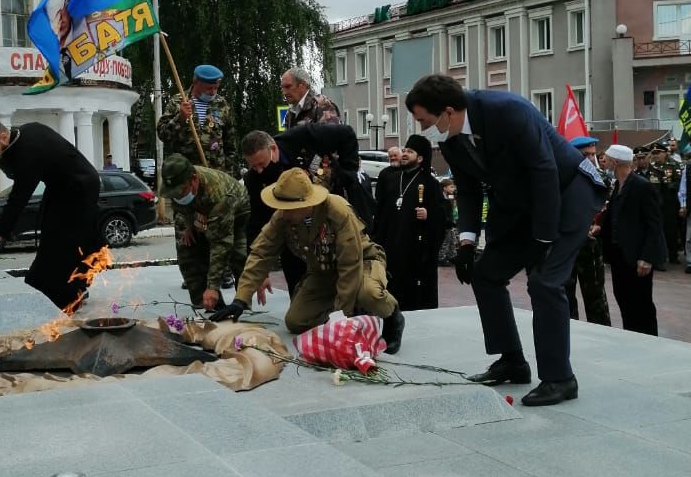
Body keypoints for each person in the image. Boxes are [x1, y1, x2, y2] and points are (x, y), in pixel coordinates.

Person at [406, 74, 606, 407]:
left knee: (544, 282)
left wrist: (543, 237)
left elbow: (544, 170)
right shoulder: (452, 139)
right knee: (486, 274)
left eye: (425, 120)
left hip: (569, 191)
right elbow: (468, 190)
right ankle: (512, 360)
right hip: (523, 204)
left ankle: (560, 378)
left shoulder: (507, 110)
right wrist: (467, 243)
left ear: (448, 111)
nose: (424, 128)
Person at [212, 167, 404, 350]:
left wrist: (341, 316)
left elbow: (350, 263)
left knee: (368, 293)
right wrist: (240, 299)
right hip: (323, 272)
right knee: (296, 321)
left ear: (306, 204)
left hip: (362, 263)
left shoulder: (336, 210)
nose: (283, 211)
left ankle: (392, 317)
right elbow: (261, 254)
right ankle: (352, 313)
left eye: (289, 208)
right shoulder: (283, 217)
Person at [0, 119, 102, 309]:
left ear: (3, 137)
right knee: (53, 238)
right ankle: (73, 288)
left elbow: (17, 201)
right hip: (61, 188)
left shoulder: (28, 152)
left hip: (80, 189)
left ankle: (69, 293)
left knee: (62, 244)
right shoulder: (26, 132)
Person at [241, 122, 373, 295]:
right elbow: (257, 221)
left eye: (261, 164)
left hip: (330, 219)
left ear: (273, 148)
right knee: (298, 292)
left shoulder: (304, 136)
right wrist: (261, 272)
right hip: (295, 235)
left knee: (345, 280)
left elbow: (346, 133)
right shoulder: (254, 180)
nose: (258, 170)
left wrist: (349, 174)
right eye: (253, 166)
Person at [161, 153, 250, 311]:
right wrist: (189, 225)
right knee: (186, 249)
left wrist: (213, 286)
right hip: (200, 210)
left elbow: (220, 245)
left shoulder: (219, 194)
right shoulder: (178, 186)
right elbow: (182, 207)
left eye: (182, 192)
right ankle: (209, 305)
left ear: (194, 180)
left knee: (238, 257)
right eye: (174, 194)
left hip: (236, 215)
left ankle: (240, 305)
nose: (178, 196)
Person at [370, 135, 445, 310]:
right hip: (392, 248)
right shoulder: (392, 179)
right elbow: (380, 212)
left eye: (409, 152)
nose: (404, 154)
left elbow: (444, 216)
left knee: (416, 299)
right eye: (404, 150)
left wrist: (429, 214)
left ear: (420, 158)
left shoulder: (430, 183)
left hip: (416, 253)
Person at [599, 144, 667, 335]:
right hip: (619, 255)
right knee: (623, 298)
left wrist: (647, 257)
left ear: (616, 162)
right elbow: (617, 216)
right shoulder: (618, 185)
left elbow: (654, 224)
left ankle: (648, 339)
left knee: (641, 303)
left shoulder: (641, 186)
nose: (606, 162)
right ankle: (631, 336)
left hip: (637, 256)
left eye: (608, 158)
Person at [563, 136, 611, 326]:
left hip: (591, 245)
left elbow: (607, 209)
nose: (591, 158)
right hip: (567, 245)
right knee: (565, 296)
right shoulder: (564, 178)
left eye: (593, 154)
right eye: (586, 154)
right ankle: (570, 334)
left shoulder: (602, 178)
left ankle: (602, 336)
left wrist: (599, 225)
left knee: (596, 296)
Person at [157, 65, 236, 173]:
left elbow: (230, 143)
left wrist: (228, 174)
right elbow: (163, 134)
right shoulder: (178, 102)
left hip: (214, 174)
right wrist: (180, 118)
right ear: (196, 83)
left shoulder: (222, 104)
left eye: (216, 88)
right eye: (209, 88)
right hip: (186, 174)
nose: (213, 92)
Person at [646, 141, 682, 264]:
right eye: (653, 153)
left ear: (665, 153)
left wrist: (671, 186)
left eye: (658, 153)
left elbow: (679, 182)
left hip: (669, 202)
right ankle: (659, 255)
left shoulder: (674, 165)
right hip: (654, 202)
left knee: (671, 229)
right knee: (656, 229)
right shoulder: (649, 166)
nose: (656, 155)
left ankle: (673, 255)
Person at [679, 161, 691, 273]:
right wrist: (683, 205)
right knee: (689, 237)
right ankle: (690, 262)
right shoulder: (688, 167)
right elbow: (683, 187)